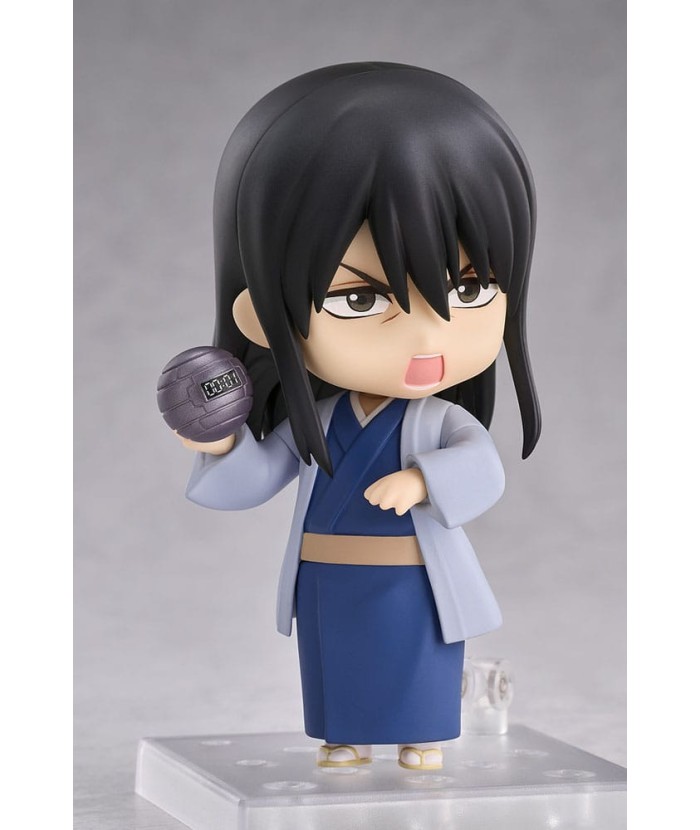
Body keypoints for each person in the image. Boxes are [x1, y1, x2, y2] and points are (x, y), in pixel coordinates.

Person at [176, 62, 540, 771]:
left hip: (415, 577)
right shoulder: (318, 420)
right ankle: (342, 736)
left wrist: (425, 481)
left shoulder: (438, 425)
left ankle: (419, 736)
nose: (430, 335)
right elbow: (257, 476)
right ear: (261, 315)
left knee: (416, 655)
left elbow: (482, 469)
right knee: (336, 661)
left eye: (469, 288)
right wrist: (219, 443)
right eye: (360, 299)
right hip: (329, 577)